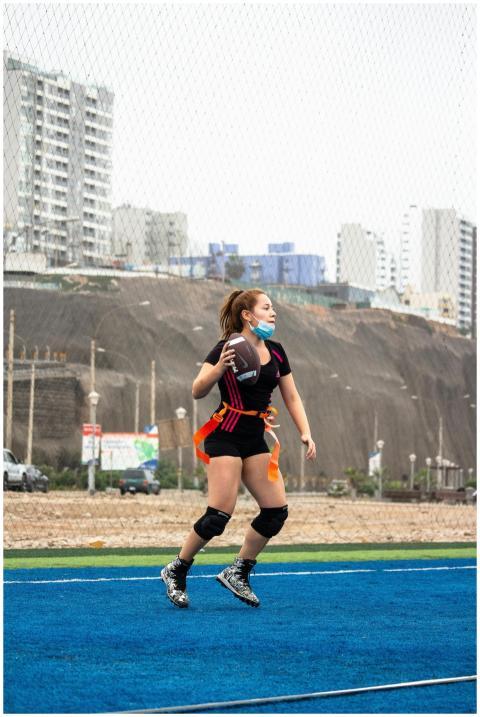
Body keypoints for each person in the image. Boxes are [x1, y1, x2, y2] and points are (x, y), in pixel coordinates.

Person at [161, 288, 316, 608]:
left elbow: (291, 396)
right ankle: (177, 568)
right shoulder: (226, 347)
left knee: (276, 511)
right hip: (225, 435)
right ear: (248, 315)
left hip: (254, 439)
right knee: (218, 515)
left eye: (274, 308)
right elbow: (196, 390)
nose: (274, 313)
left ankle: (239, 571)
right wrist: (219, 368)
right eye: (267, 308)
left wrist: (306, 431)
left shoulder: (277, 351)